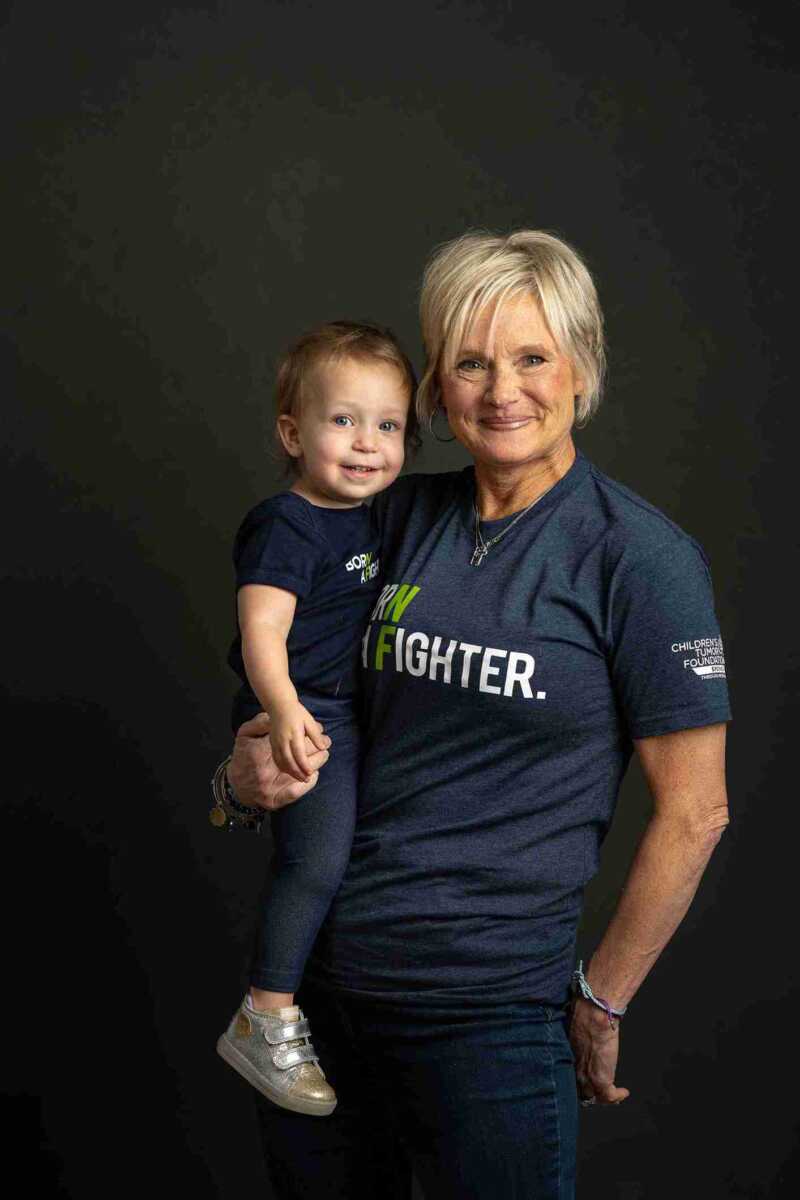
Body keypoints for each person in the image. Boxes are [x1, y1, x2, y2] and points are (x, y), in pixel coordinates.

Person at [218, 230, 732, 1199]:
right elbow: (282, 683)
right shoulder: (382, 516)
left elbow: (694, 811)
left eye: (532, 357)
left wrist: (602, 996)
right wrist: (235, 782)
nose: (503, 390)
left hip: (489, 1013)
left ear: (580, 368)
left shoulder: (637, 560)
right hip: (320, 1000)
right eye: (470, 362)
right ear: (435, 393)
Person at [214, 321, 418, 1116]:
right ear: (292, 434)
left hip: (346, 709)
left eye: (390, 425)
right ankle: (263, 1015)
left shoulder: (376, 512)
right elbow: (261, 630)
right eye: (344, 420)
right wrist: (285, 708)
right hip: (303, 712)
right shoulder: (287, 525)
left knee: (350, 858)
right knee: (317, 863)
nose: (368, 443)